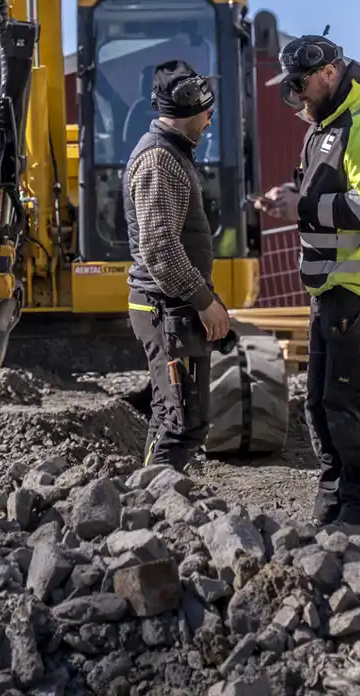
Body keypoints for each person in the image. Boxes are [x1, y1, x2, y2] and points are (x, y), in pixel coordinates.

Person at [257, 35, 360, 534]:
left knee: (350, 400)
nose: (295, 97)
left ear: (328, 72)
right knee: (320, 403)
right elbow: (321, 193)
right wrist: (290, 195)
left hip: (359, 290)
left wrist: (297, 206)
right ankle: (335, 501)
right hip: (330, 287)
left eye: (299, 85)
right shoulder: (324, 129)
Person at [123, 59, 231, 470]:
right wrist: (204, 300)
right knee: (178, 420)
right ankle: (151, 511)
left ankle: (156, 509)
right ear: (191, 106)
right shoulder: (159, 161)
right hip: (167, 307)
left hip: (173, 307)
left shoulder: (171, 155)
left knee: (182, 417)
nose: (210, 120)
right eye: (208, 111)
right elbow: (161, 249)